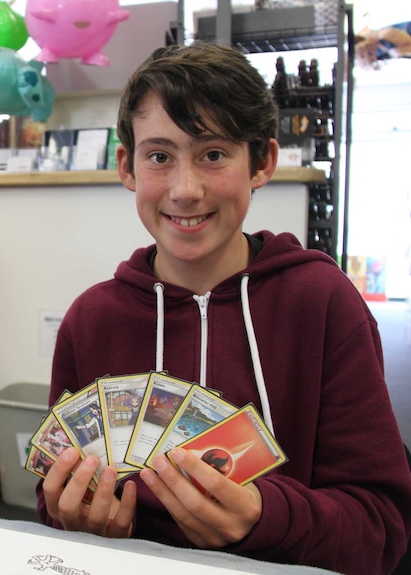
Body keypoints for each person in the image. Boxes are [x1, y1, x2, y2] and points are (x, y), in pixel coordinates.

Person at [37, 41, 411, 575]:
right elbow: (53, 502)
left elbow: (381, 528)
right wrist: (81, 523)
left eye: (213, 154)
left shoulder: (323, 304)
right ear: (127, 166)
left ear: (262, 163)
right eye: (160, 156)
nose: (186, 190)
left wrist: (264, 519)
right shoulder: (90, 321)